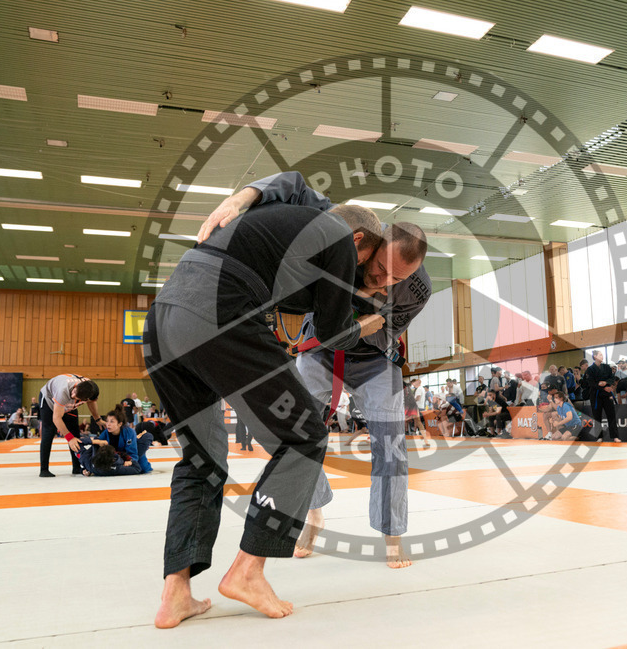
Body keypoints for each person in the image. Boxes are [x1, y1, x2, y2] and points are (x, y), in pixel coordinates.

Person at [149, 196, 384, 627]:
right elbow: (332, 333)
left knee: (201, 456)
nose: (359, 272)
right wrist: (366, 324)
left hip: (163, 319)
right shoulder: (335, 235)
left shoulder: (283, 228)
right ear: (356, 239)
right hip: (219, 312)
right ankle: (248, 570)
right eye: (365, 262)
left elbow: (299, 300)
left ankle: (175, 592)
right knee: (305, 435)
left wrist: (356, 297)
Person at [201, 172, 430, 570]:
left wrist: (367, 303)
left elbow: (386, 331)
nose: (385, 279)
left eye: (398, 278)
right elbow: (293, 185)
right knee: (286, 425)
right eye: (380, 267)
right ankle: (315, 509)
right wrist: (240, 199)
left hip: (375, 359)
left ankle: (392, 534)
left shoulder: (417, 289)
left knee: (391, 445)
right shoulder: (346, 228)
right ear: (371, 244)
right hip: (320, 349)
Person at [38, 374, 102, 478]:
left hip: (69, 406)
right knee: (49, 432)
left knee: (75, 433)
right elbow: (56, 418)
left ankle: (76, 467)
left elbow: (92, 402)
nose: (72, 396)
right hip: (49, 401)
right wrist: (69, 438)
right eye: (73, 392)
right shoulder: (63, 391)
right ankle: (44, 469)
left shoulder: (90, 388)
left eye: (76, 397)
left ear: (85, 399)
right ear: (76, 386)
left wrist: (97, 419)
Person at [87, 408, 146, 475]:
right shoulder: (105, 433)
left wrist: (130, 461)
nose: (108, 424)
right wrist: (89, 468)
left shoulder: (130, 432)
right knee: (95, 443)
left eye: (111, 422)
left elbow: (132, 452)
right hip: (115, 458)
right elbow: (97, 450)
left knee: (142, 468)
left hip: (126, 457)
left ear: (120, 424)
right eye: (107, 421)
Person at [584, 350, 620, 443]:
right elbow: (590, 382)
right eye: (600, 355)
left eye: (602, 355)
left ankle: (615, 436)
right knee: (597, 416)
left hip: (607, 394)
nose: (602, 356)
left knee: (611, 415)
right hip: (596, 395)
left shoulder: (607, 367)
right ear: (595, 356)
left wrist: (607, 383)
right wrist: (602, 386)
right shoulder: (590, 369)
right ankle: (599, 437)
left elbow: (612, 378)